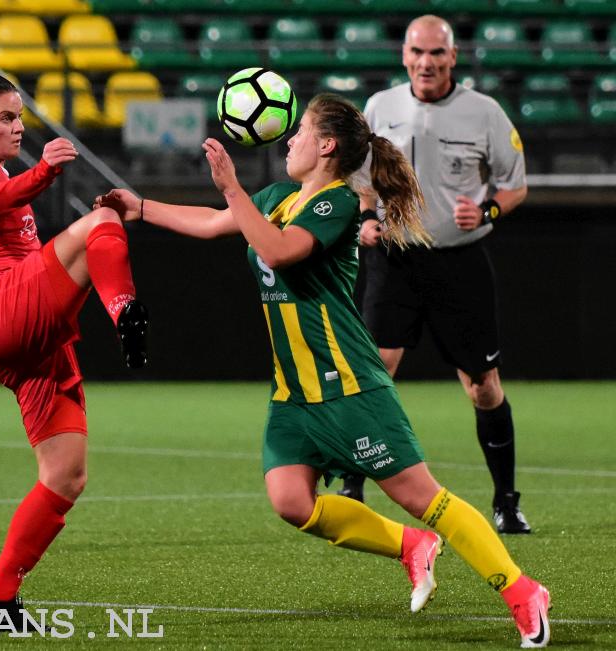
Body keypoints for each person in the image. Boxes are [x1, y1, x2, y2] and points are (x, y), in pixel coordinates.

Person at [95, 94, 550, 647]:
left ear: (326, 146)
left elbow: (281, 250)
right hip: (293, 394)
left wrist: (234, 190)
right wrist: (139, 207)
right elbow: (218, 223)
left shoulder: (336, 203)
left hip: (349, 387)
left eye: (301, 133)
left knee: (425, 497)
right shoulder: (281, 195)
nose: (289, 141)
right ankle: (410, 547)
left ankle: (523, 591)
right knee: (291, 501)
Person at [0, 72, 149, 629]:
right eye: (6, 117)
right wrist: (46, 170)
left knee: (65, 475)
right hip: (1, 307)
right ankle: (124, 310)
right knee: (101, 223)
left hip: (26, 334)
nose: (17, 126)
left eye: (19, 116)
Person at [338, 15, 531, 536]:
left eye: (437, 54)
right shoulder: (380, 107)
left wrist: (488, 211)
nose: (426, 63)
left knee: (483, 386)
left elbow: (514, 186)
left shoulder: (484, 113)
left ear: (453, 57)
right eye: (418, 52)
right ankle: (353, 483)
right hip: (394, 261)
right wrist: (367, 219)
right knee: (375, 368)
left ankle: (506, 502)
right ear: (404, 55)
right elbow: (363, 183)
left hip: (458, 262)